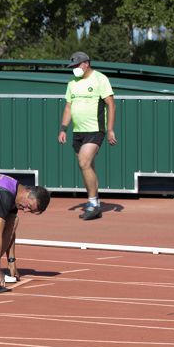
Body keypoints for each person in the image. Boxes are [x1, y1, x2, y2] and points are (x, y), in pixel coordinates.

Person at [58, 51, 117, 221]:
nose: (74, 69)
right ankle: (94, 201)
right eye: (73, 66)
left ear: (86, 63)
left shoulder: (100, 79)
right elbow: (69, 107)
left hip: (95, 129)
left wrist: (110, 129)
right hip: (78, 132)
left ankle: (93, 204)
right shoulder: (72, 83)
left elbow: (111, 105)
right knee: (86, 166)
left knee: (84, 161)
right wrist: (63, 129)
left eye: (76, 65)